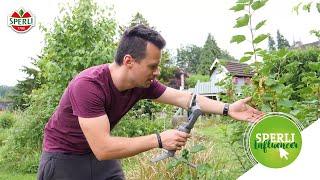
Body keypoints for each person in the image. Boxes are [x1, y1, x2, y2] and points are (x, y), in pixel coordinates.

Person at [37, 24, 263, 180]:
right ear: (129, 61)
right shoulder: (88, 86)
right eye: (152, 66)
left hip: (99, 158)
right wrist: (159, 139)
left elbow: (184, 98)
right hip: (63, 158)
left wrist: (227, 108)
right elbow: (104, 148)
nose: (157, 72)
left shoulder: (140, 84)